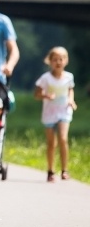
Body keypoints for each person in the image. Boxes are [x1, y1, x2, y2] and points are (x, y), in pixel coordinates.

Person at [34, 46, 77, 182]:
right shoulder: (45, 78)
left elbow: (70, 90)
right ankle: (50, 170)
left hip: (64, 111)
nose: (58, 62)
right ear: (50, 61)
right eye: (55, 60)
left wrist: (71, 100)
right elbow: (37, 94)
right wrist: (46, 96)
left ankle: (65, 170)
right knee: (52, 142)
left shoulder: (69, 77)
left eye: (61, 59)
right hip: (49, 112)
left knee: (63, 139)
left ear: (66, 60)